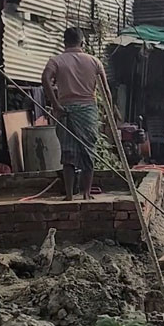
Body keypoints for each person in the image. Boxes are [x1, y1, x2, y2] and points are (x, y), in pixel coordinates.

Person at [42, 27, 116, 200]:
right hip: (88, 110)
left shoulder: (56, 61)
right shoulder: (94, 61)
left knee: (68, 153)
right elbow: (106, 90)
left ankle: (69, 194)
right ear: (82, 43)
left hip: (65, 109)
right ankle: (86, 193)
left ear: (64, 42)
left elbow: (45, 78)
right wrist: (109, 113)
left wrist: (55, 103)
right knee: (88, 151)